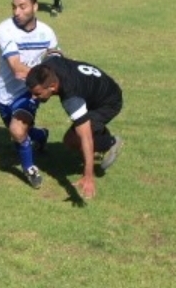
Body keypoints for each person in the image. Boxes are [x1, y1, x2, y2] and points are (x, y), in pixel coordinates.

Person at [25, 54, 123, 200]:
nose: (33, 97)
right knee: (80, 134)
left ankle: (110, 142)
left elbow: (85, 137)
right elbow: (54, 52)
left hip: (108, 102)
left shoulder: (71, 98)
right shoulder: (49, 65)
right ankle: (99, 132)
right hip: (94, 91)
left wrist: (88, 177)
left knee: (72, 140)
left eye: (37, 93)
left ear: (52, 87)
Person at [0, 0, 59, 190]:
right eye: (14, 7)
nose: (17, 12)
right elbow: (17, 69)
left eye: (22, 7)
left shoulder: (47, 32)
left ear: (35, 7)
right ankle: (41, 135)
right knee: (19, 133)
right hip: (3, 92)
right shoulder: (4, 29)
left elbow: (56, 61)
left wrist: (50, 81)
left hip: (29, 91)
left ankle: (30, 168)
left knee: (17, 129)